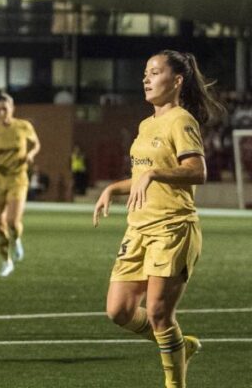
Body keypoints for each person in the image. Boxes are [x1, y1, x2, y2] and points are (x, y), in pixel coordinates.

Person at [94, 50, 223, 388]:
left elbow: (197, 171)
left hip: (172, 227)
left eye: (154, 72)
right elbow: (143, 175)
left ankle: (174, 384)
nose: (145, 79)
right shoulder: (146, 124)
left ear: (177, 80)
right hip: (138, 228)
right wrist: (113, 188)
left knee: (158, 313)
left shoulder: (181, 119)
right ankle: (182, 347)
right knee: (118, 311)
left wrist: (154, 174)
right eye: (145, 73)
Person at [0, 92, 40, 277]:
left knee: (13, 221)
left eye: (4, 108)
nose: (1, 112)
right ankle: (6, 262)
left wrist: (30, 154)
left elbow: (36, 144)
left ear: (12, 109)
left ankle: (17, 239)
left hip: (18, 178)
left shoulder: (23, 126)